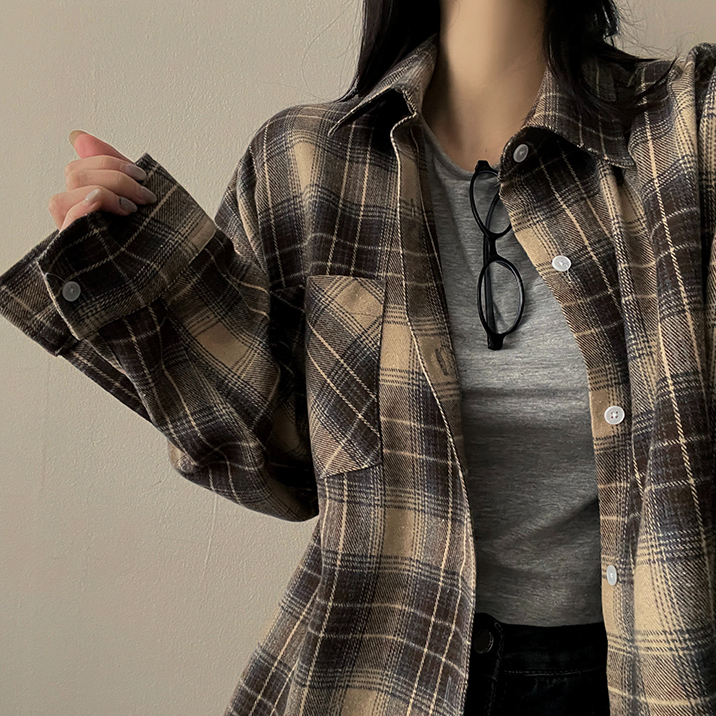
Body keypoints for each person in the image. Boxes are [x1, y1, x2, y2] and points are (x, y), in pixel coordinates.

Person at [1, 0, 715, 714]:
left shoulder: (686, 132)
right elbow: (279, 474)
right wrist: (144, 273)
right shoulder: (307, 163)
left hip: (653, 678)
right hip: (385, 676)